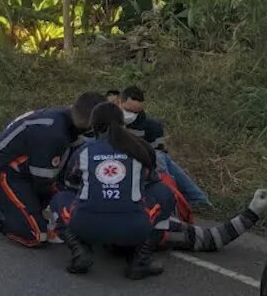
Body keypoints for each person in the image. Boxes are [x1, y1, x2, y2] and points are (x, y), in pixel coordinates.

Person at [0, 91, 104, 247]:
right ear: (90, 120)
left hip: (23, 171)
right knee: (36, 235)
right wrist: (64, 205)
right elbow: (44, 182)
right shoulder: (54, 133)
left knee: (51, 201)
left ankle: (16, 211)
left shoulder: (65, 120)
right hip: (2, 173)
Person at [49, 102, 180, 278]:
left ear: (94, 126)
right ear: (123, 124)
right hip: (133, 228)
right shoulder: (141, 148)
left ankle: (79, 250)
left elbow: (70, 185)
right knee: (165, 193)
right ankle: (140, 260)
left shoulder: (84, 151)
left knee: (59, 197)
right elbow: (151, 181)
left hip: (86, 227)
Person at [117, 85, 211, 208]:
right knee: (162, 160)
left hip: (144, 163)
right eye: (128, 111)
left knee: (161, 158)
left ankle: (193, 200)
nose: (131, 115)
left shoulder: (152, 126)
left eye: (136, 112)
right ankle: (184, 198)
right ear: (119, 102)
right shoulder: (107, 118)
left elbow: (159, 153)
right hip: (117, 161)